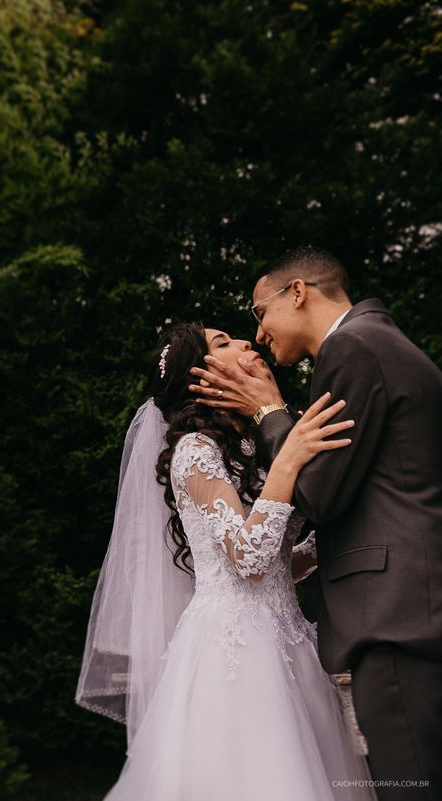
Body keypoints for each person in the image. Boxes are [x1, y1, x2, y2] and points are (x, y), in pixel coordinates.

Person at [78, 321, 375, 800]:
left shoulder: (255, 446)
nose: (244, 342)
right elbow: (249, 561)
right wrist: (288, 463)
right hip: (237, 648)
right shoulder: (195, 451)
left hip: (289, 636)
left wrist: (332, 545)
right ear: (201, 378)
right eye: (223, 343)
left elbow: (277, 563)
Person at [189, 247, 442, 800]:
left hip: (395, 620)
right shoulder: (380, 342)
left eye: (258, 314)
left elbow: (318, 493)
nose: (257, 336)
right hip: (411, 609)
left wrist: (268, 412)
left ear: (297, 293)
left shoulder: (352, 347)